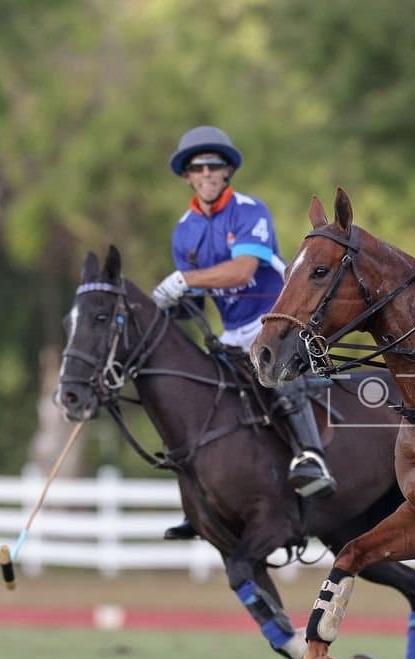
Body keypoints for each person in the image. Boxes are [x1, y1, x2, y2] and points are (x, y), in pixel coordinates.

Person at [153, 126, 336, 539]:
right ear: (187, 175)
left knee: (277, 372)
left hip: (277, 318)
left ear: (227, 171)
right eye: (197, 167)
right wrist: (167, 303)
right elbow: (194, 302)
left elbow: (244, 270)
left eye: (214, 165)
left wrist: (184, 278)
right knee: (201, 397)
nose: (206, 173)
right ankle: (200, 498)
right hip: (233, 331)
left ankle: (311, 455)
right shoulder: (184, 230)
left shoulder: (250, 211)